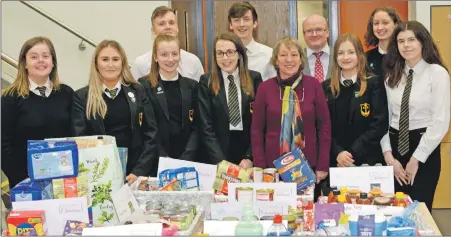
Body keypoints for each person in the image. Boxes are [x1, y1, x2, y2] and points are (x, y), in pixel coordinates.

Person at [381, 21, 450, 211]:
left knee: (419, 211)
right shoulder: (391, 75)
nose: (406, 45)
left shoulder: (437, 73)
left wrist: (416, 159)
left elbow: (440, 122)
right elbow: (384, 120)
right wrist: (389, 157)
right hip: (394, 150)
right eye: (401, 41)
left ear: (422, 42)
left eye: (411, 39)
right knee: (394, 211)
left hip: (424, 149)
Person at [251, 36, 331, 198]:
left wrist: (322, 164)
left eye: (294, 55)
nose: (289, 60)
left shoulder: (314, 85)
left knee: (307, 216)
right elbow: (257, 131)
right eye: (283, 55)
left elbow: (324, 127)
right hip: (272, 168)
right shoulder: (264, 89)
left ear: (301, 60)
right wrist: (260, 166)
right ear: (276, 60)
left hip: (307, 166)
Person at [72, 40, 158, 182]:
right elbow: (81, 140)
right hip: (100, 175)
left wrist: (138, 171)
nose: (110, 64)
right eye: (105, 59)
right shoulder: (82, 97)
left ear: (123, 63)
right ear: (96, 63)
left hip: (135, 174)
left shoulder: (138, 91)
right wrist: (101, 173)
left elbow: (151, 134)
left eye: (115, 59)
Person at [1, 36, 74, 188]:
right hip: (26, 182)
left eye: (45, 56)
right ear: (24, 63)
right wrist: (22, 179)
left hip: (63, 180)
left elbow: (76, 135)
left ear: (53, 62)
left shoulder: (67, 94)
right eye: (34, 57)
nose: (40, 60)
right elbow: (3, 144)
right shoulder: (10, 97)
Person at [322, 33, 388, 169]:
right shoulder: (326, 87)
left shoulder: (374, 83)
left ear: (360, 55)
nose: (345, 57)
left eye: (351, 52)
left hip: (367, 161)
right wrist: (338, 153)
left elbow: (379, 124)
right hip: (337, 163)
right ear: (335, 57)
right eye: (340, 53)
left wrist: (352, 153)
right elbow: (323, 126)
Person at [197, 32, 262, 167]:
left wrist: (250, 157)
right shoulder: (206, 82)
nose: (225, 58)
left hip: (247, 153)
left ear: (239, 53)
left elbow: (260, 123)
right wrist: (220, 161)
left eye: (230, 52)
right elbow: (205, 126)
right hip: (216, 154)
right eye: (220, 53)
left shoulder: (254, 79)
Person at [138, 35, 199, 170]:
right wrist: (164, 159)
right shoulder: (143, 86)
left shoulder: (193, 86)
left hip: (188, 162)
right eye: (164, 55)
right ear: (155, 57)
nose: (170, 59)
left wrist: (186, 158)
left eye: (174, 54)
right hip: (155, 161)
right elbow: (146, 128)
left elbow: (197, 126)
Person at [131, 6, 204, 81]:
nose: (168, 27)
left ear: (177, 28)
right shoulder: (140, 64)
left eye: (171, 23)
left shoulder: (193, 61)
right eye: (162, 24)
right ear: (153, 30)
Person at [227, 1, 276, 81]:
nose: (241, 24)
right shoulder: (223, 56)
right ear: (230, 25)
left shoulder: (269, 55)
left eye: (246, 19)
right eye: (236, 20)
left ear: (255, 23)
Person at [365, 6, 402, 78]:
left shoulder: (404, 55)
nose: (380, 27)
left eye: (385, 23)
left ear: (396, 25)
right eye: (376, 23)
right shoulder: (365, 59)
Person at [302, 14, 333, 82]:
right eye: (309, 31)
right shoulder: (296, 58)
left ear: (327, 32)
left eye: (319, 29)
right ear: (304, 35)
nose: (314, 34)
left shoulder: (339, 56)